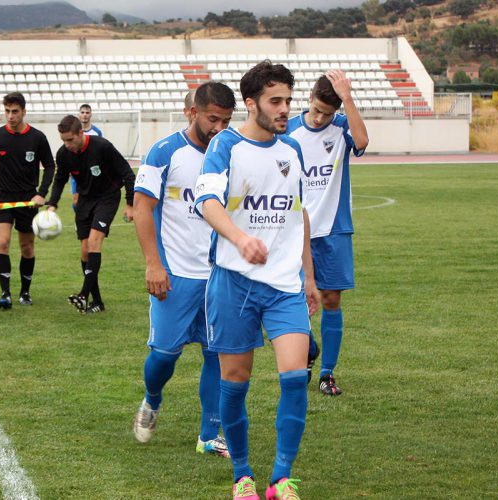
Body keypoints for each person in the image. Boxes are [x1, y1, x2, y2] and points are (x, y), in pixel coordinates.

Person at [194, 61, 321, 500]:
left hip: (285, 284)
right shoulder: (224, 146)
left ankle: (281, 478)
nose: (285, 109)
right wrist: (239, 237)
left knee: (293, 377)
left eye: (288, 100)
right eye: (275, 101)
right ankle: (243, 475)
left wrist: (309, 275)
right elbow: (206, 202)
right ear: (252, 104)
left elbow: (298, 213)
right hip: (234, 283)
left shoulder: (293, 150)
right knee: (235, 381)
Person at [131, 83, 235, 457]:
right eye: (212, 119)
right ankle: (152, 399)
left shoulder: (232, 152)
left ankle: (209, 434)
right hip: (175, 275)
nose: (218, 127)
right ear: (192, 112)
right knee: (164, 354)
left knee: (216, 353)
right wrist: (153, 263)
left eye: (225, 120)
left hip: (221, 275)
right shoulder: (164, 152)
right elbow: (142, 209)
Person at [287, 70, 369, 396]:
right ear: (309, 98)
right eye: (317, 109)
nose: (320, 118)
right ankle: (306, 349)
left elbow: (362, 142)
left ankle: (327, 373)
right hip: (293, 230)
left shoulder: (341, 126)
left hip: (333, 228)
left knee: (332, 300)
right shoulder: (289, 130)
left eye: (327, 113)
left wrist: (346, 98)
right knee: (292, 301)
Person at [46, 115, 134, 314]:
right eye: (63, 141)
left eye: (70, 139)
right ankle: (98, 302)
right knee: (85, 250)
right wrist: (52, 204)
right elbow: (60, 180)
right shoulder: (63, 154)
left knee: (94, 242)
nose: (67, 145)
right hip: (85, 201)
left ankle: (83, 295)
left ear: (81, 133)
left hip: (108, 197)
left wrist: (130, 204)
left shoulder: (102, 147)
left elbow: (128, 173)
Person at [0, 92, 55, 309]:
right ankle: (5, 293)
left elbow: (50, 166)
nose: (10, 116)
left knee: (27, 247)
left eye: (15, 111)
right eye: (7, 111)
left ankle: (25, 292)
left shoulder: (37, 137)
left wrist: (41, 193)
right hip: (2, 199)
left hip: (27, 201)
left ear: (23, 111)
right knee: (2, 242)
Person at [70, 104, 104, 211]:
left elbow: (101, 151)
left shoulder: (97, 132)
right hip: (77, 170)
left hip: (92, 171)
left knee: (93, 199)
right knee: (76, 201)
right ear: (79, 114)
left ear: (91, 114)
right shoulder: (74, 131)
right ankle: (79, 222)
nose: (85, 115)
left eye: (87, 113)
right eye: (82, 112)